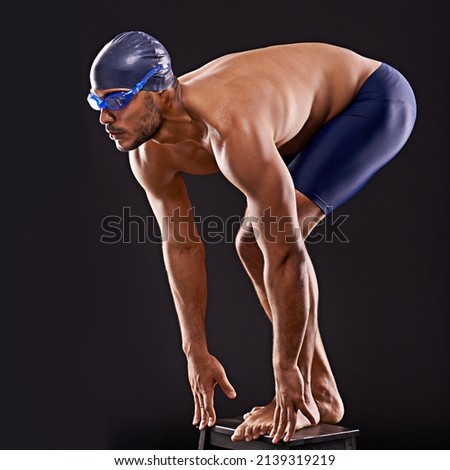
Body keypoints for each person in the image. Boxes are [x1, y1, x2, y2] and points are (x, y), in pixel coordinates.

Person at [87, 30, 417, 444]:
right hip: (303, 116)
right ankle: (322, 394)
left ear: (161, 91)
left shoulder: (230, 123)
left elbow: (286, 254)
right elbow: (182, 244)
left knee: (272, 235)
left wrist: (284, 370)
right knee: (252, 241)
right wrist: (195, 352)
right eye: (96, 101)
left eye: (115, 100)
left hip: (371, 99)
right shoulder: (147, 153)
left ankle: (309, 396)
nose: (104, 117)